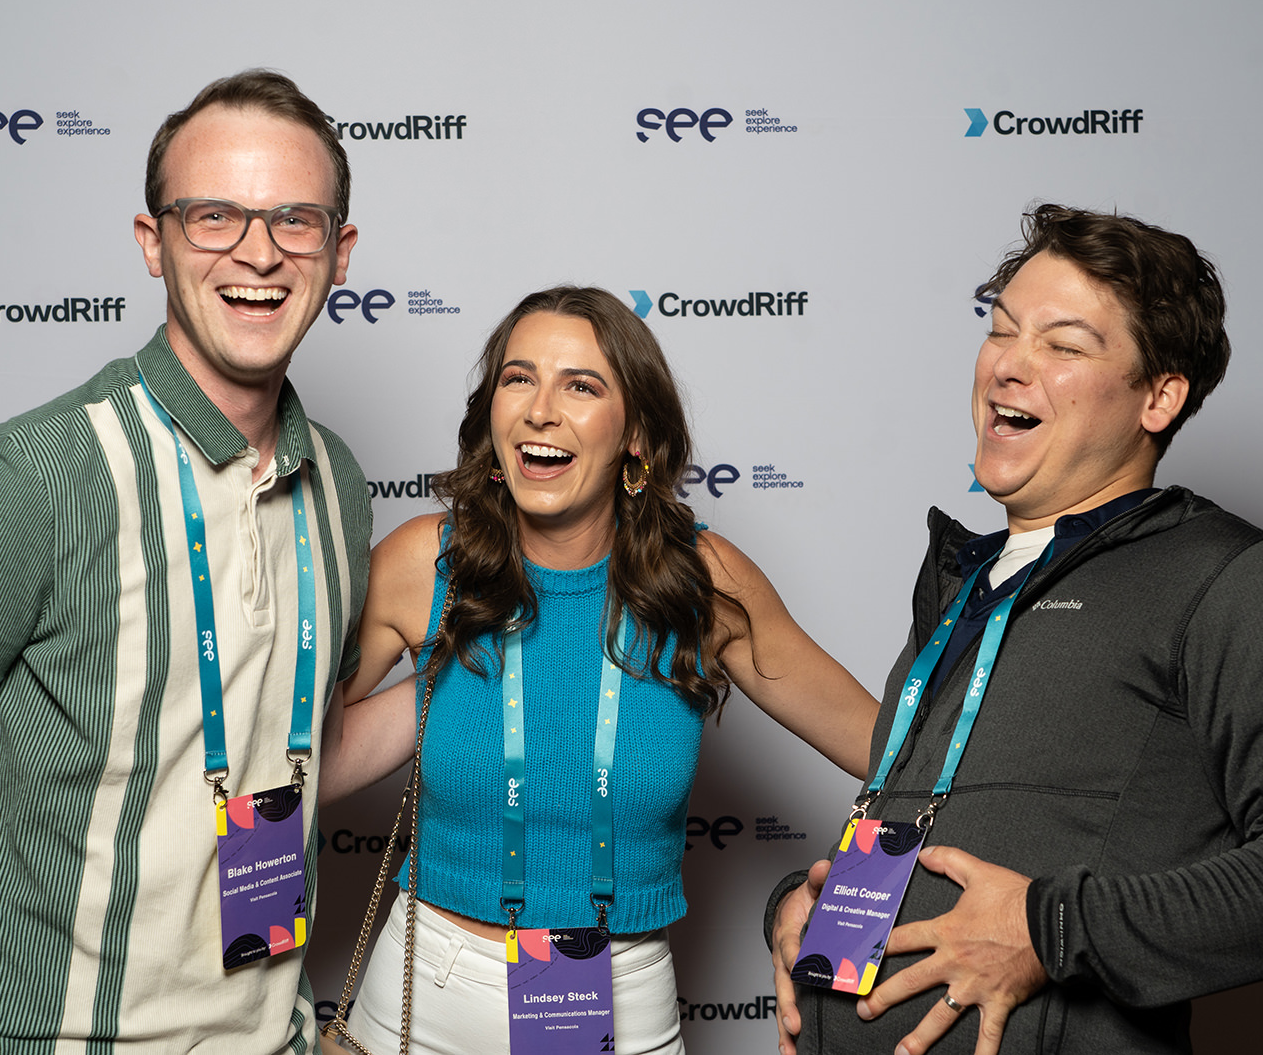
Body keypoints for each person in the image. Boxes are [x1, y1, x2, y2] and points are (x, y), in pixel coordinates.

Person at [0, 70, 371, 1055]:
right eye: (214, 215)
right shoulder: (30, 478)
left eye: (296, 219)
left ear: (340, 253)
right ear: (151, 242)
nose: (258, 250)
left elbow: (293, 753)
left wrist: (500, 639)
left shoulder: (337, 480)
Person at [766, 204, 1263, 1055]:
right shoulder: (968, 585)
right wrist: (801, 907)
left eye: (1064, 346)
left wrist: (1048, 926)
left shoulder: (1226, 577)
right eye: (1000, 330)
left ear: (1159, 396)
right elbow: (939, 828)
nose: (1009, 367)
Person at [317, 285, 880, 1055]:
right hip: (422, 999)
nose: (540, 408)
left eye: (581, 385)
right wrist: (439, 685)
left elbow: (895, 753)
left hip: (620, 1000)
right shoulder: (426, 563)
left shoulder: (702, 583)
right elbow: (302, 763)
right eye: (519, 378)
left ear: (637, 436)